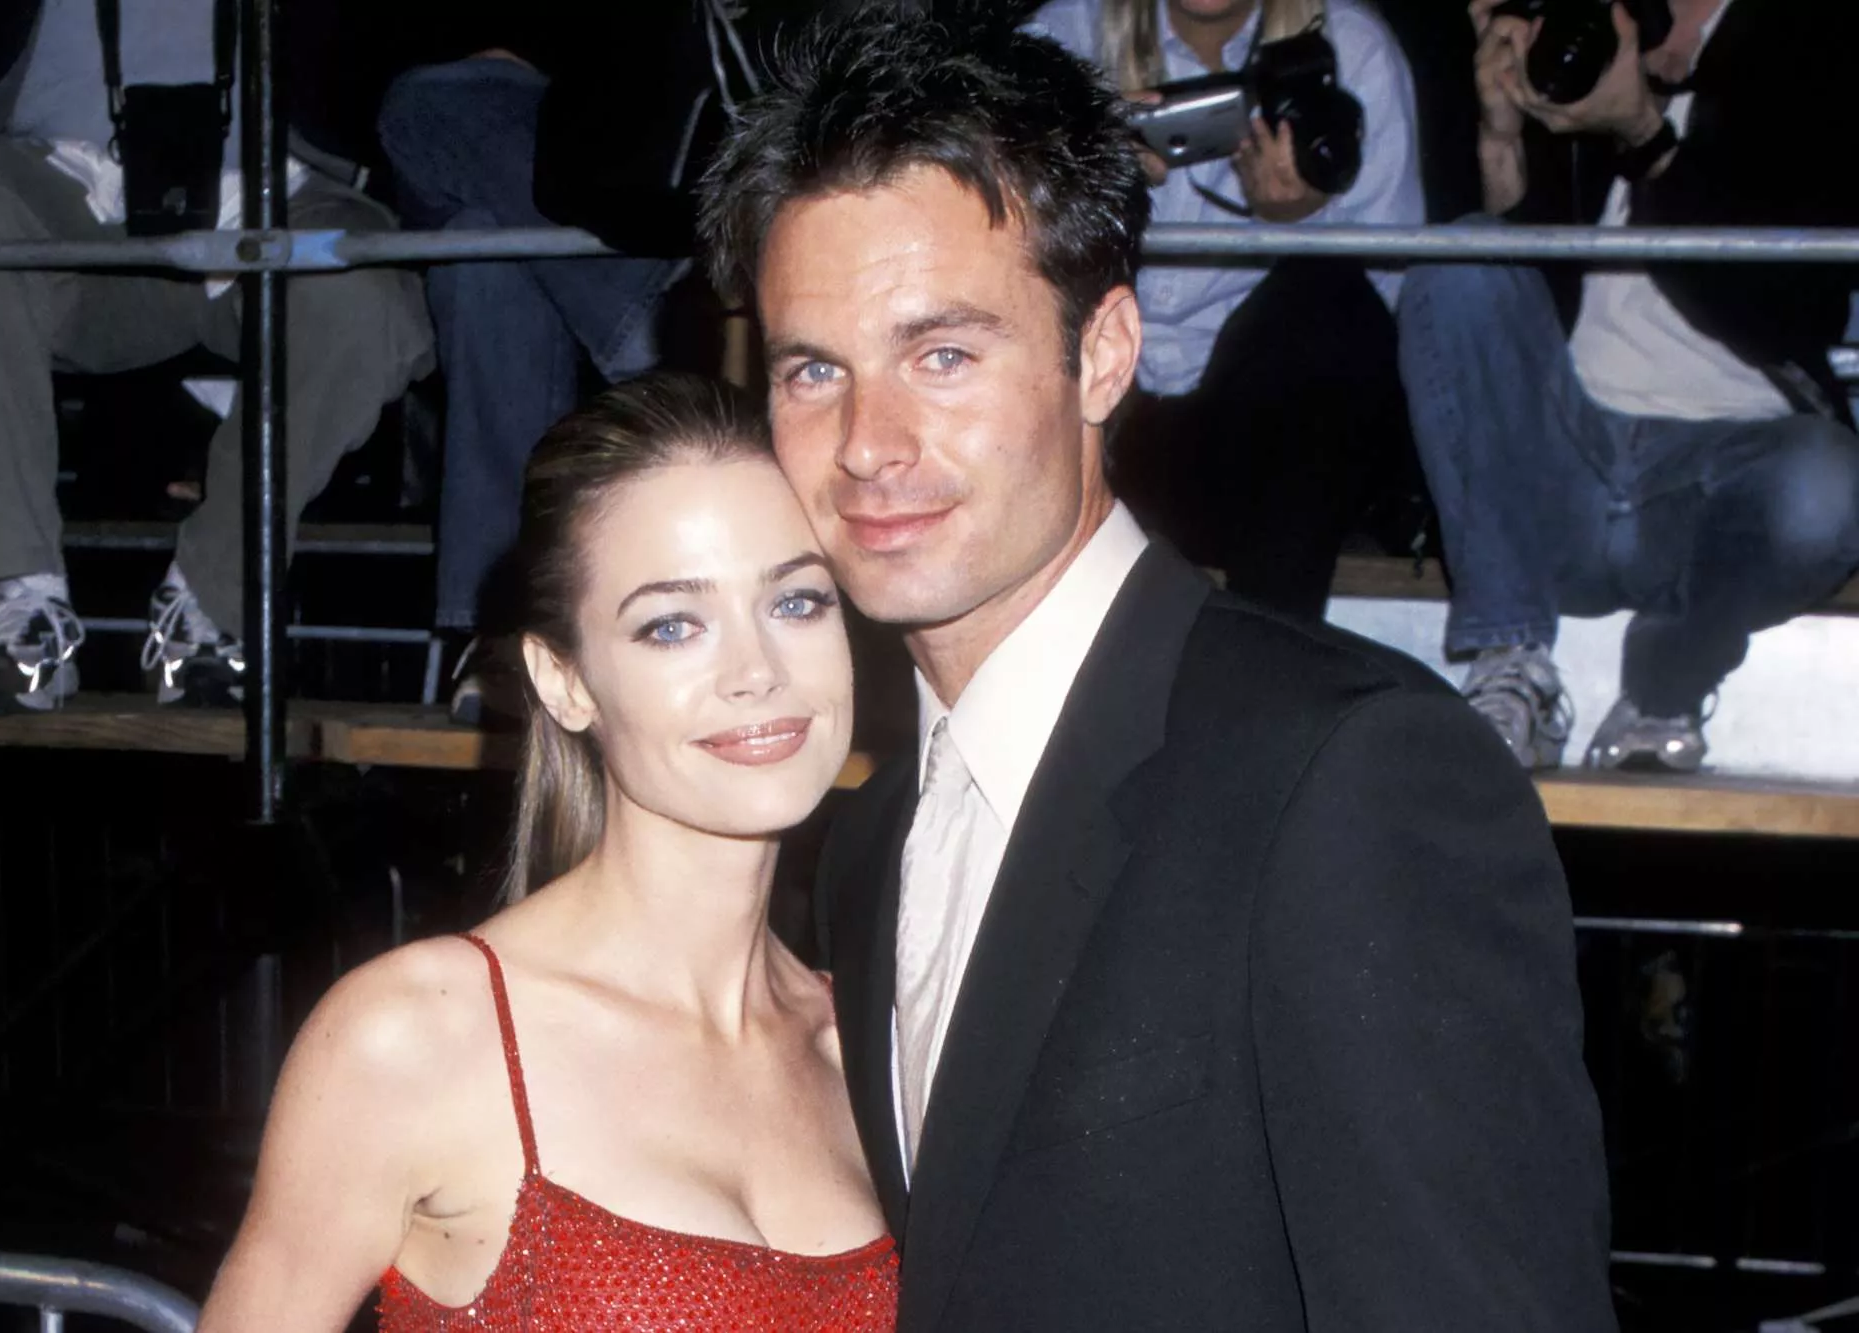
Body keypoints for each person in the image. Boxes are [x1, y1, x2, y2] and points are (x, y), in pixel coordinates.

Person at [699, 10, 1613, 1330]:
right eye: (812, 371)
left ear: (1104, 354)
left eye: (941, 354)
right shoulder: (871, 837)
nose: (866, 442)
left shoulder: (1345, 777)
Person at [197, 373, 897, 1331]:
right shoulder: (421, 1035)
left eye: (798, 602)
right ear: (564, 681)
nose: (757, 672)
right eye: (672, 625)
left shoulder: (877, 1043)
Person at [0, 0, 433, 715]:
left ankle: (211, 605)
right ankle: (21, 599)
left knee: (362, 292)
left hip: (289, 193)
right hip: (60, 181)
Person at [1396, 0, 1859, 772]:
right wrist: (1502, 137)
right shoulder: (1584, 25)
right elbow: (1503, 289)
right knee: (1460, 258)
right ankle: (1510, 660)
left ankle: (1666, 682)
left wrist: (1644, 133)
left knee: (1827, 480)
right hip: (1564, 460)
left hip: (1726, 482)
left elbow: (1790, 308)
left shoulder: (1814, 53)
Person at [1029, 0, 1425, 619]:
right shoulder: (1064, 34)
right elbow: (985, 242)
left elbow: (1392, 293)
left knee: (1334, 301)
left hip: (1260, 439)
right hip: (1105, 421)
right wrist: (1095, 182)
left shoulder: (1352, 47)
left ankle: (1271, 655)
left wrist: (1301, 222)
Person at [376, 9, 684, 725]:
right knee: (439, 121)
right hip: (511, 146)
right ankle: (648, 310)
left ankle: (503, 621)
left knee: (481, 252)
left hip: (641, 137)